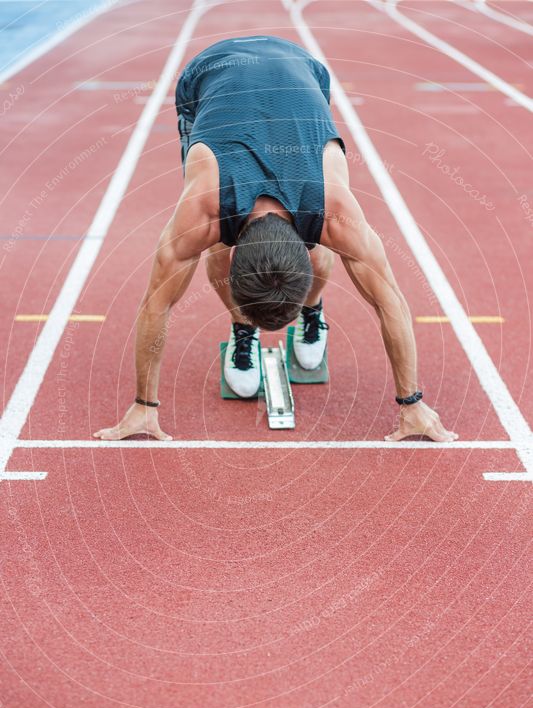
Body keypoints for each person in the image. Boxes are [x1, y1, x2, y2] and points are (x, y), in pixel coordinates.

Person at [94, 35, 457, 443]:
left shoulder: (335, 213)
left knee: (319, 244)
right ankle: (241, 329)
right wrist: (144, 406)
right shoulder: (204, 211)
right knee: (214, 240)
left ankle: (312, 312)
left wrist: (413, 403)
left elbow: (389, 298)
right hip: (207, 73)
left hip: (303, 69)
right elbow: (156, 304)